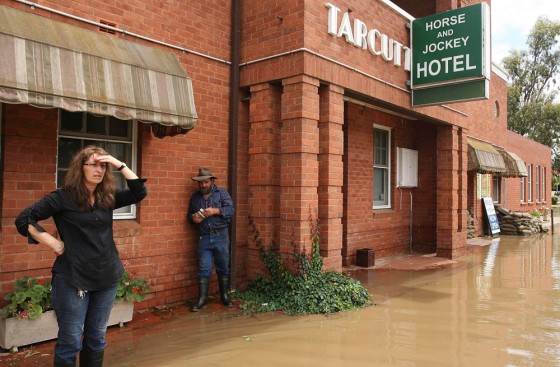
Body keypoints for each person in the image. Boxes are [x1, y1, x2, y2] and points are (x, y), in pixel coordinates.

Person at [15, 146, 147, 367]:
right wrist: (54, 243)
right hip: (72, 278)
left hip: (106, 277)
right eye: (94, 165)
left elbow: (139, 192)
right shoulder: (62, 197)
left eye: (103, 166)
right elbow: (24, 219)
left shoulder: (107, 197)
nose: (99, 170)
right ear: (80, 167)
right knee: (71, 341)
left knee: (96, 339)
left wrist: (118, 163)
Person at [187, 167, 235, 311]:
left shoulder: (222, 193)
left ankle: (224, 296)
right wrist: (193, 219)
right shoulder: (195, 197)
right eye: (200, 183)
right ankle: (202, 300)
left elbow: (231, 210)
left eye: (206, 182)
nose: (203, 185)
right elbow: (189, 215)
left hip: (221, 235)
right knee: (203, 268)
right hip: (204, 237)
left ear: (212, 181)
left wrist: (215, 211)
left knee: (223, 266)